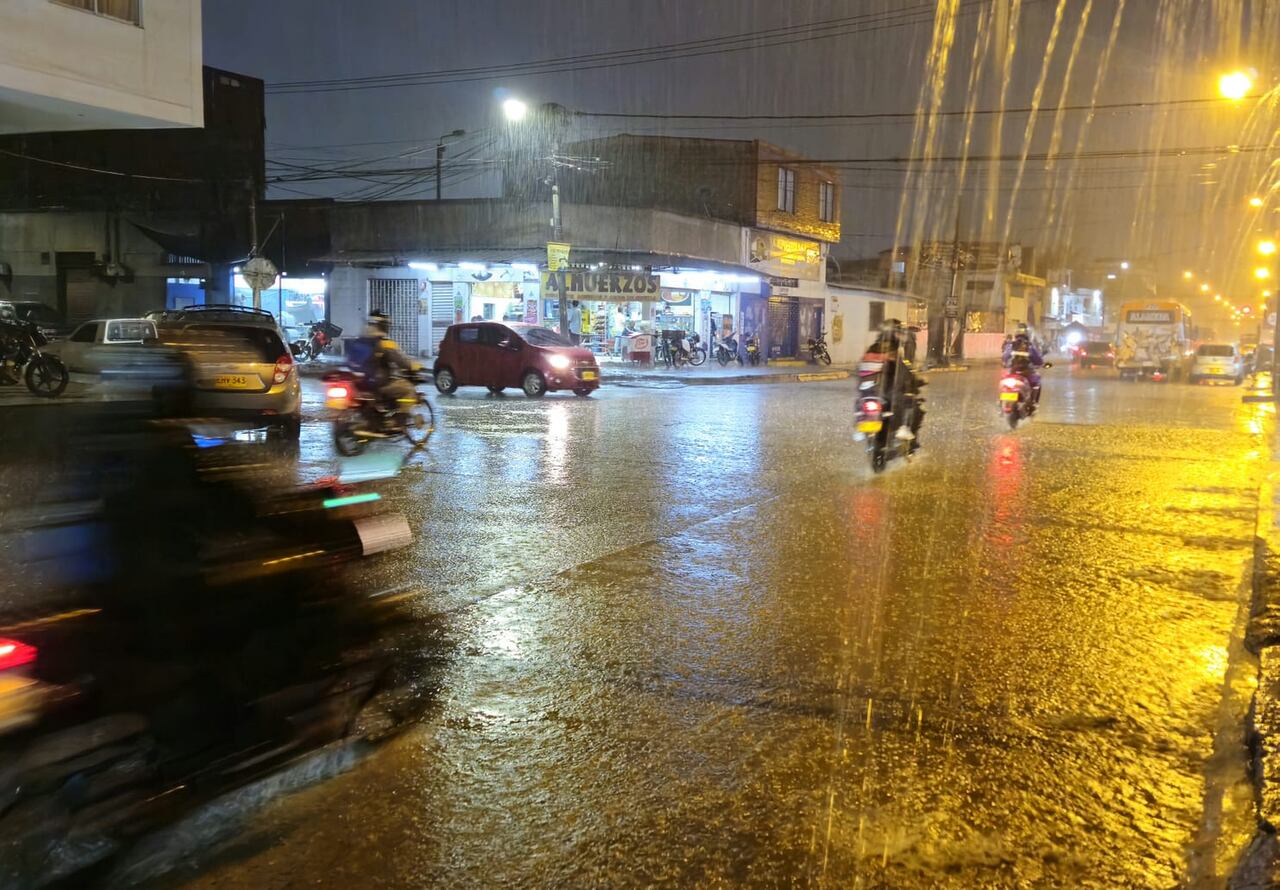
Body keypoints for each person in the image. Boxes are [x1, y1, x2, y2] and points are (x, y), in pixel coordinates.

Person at [345, 310, 420, 421]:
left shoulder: (360, 340)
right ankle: (400, 420)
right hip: (378, 383)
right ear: (384, 326)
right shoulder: (385, 342)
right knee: (408, 389)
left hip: (359, 383)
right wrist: (415, 366)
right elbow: (402, 361)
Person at [860, 319, 925, 449]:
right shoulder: (894, 352)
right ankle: (905, 432)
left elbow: (862, 370)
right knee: (916, 408)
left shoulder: (873, 348)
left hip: (871, 392)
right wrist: (915, 381)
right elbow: (904, 371)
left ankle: (868, 433)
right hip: (889, 394)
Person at [1002, 322, 1045, 404]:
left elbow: (1005, 357)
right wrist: (1040, 364)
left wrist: (1005, 363)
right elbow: (1038, 360)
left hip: (1013, 371)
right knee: (1037, 382)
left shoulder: (1011, 345)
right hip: (1026, 373)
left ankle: (1002, 403)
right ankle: (1034, 403)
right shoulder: (1029, 346)